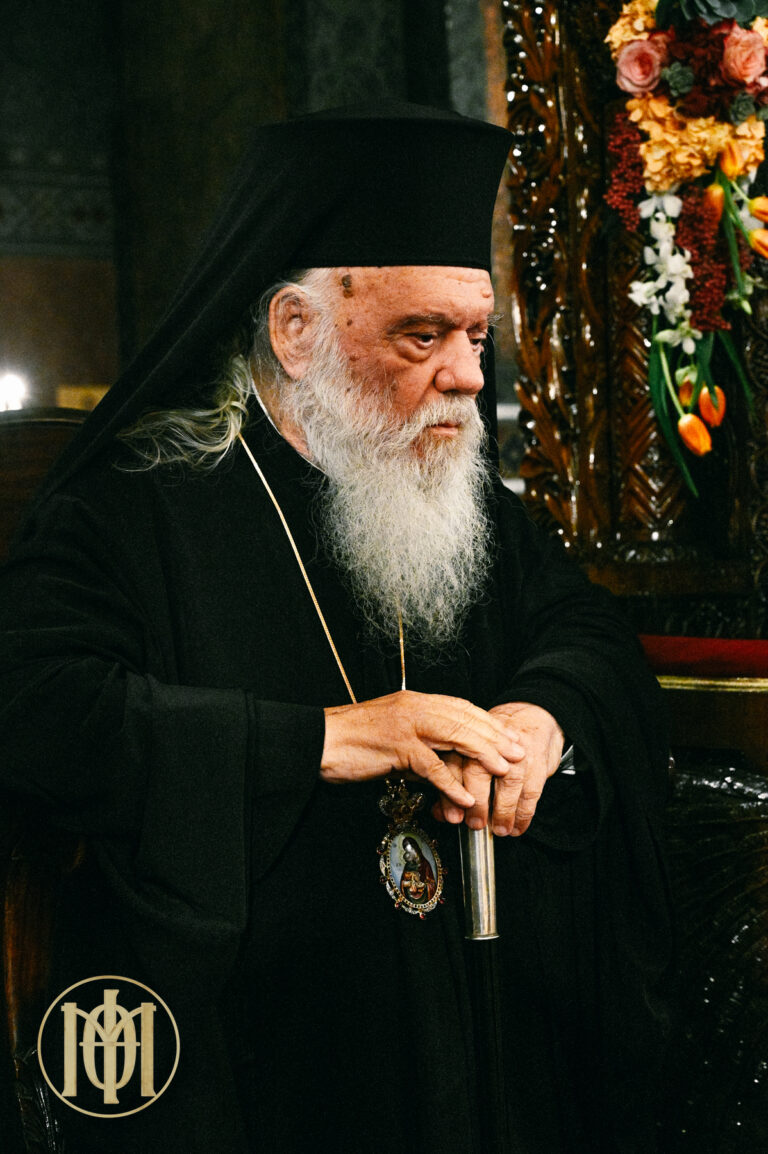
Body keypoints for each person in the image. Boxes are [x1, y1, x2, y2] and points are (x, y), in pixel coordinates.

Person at [0, 103, 671, 1153]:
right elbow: (38, 711)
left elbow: (584, 629)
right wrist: (327, 738)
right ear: (296, 330)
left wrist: (542, 717)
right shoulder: (135, 507)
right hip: (260, 1056)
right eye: (422, 336)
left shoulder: (464, 500)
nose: (467, 376)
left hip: (473, 1036)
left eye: (476, 336)